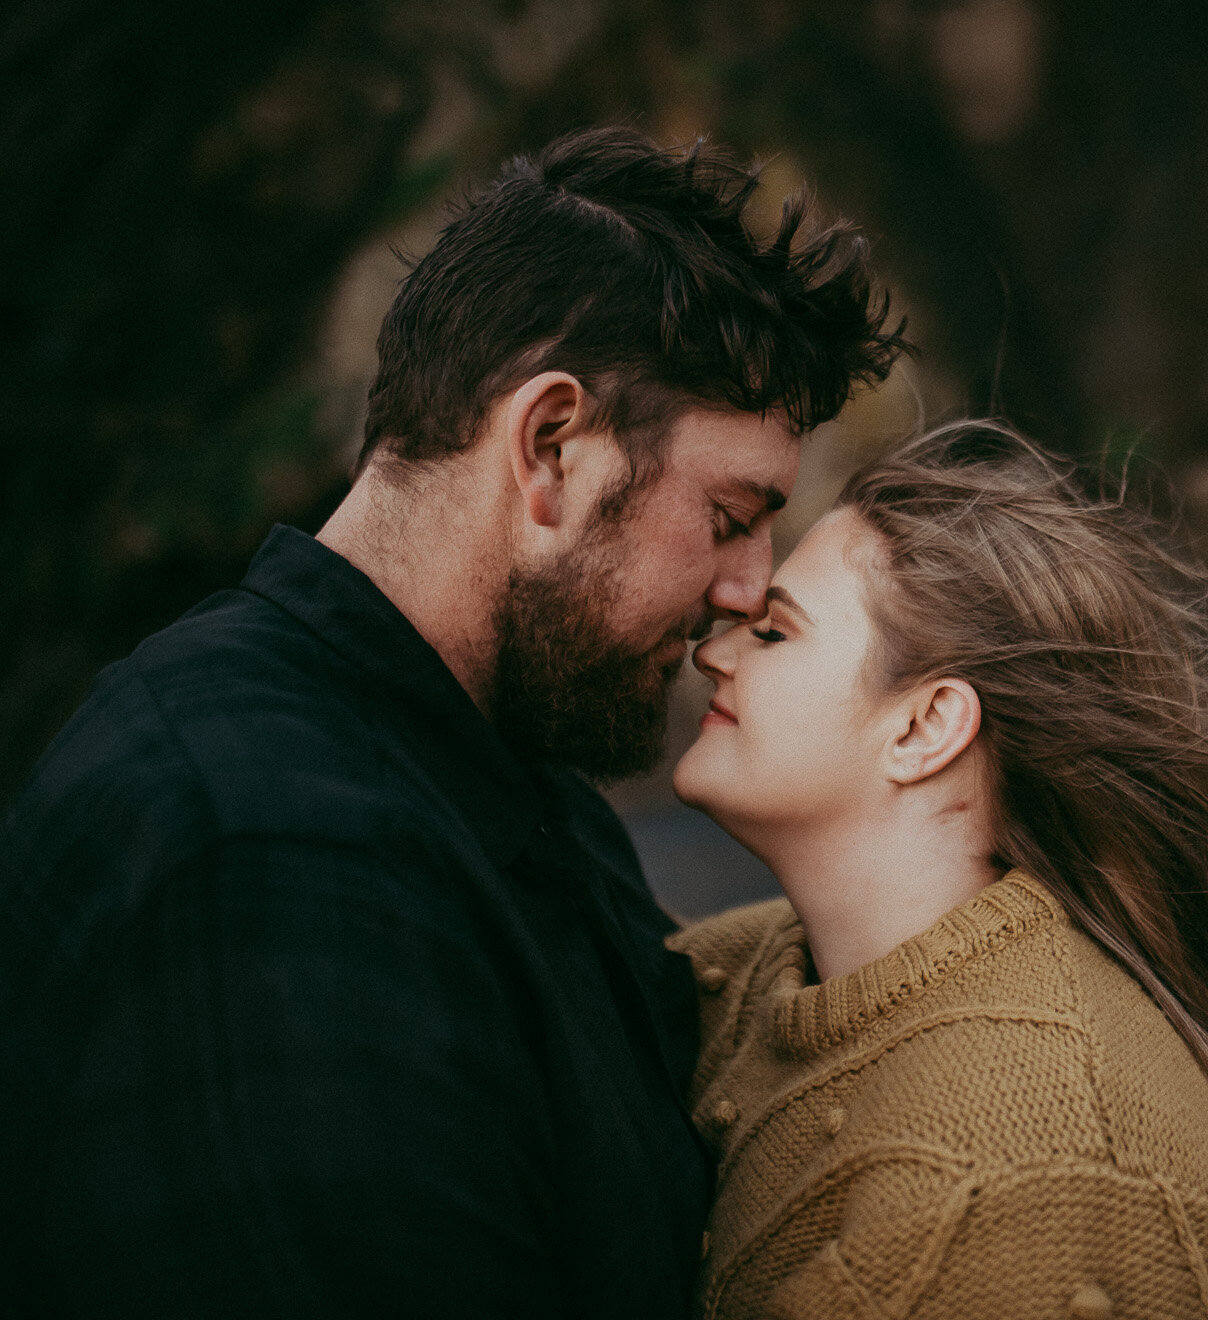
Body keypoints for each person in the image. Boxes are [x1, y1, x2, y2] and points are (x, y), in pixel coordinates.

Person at [0, 127, 903, 1316]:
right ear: (549, 448)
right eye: (730, 514)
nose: (747, 587)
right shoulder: (268, 857)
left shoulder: (503, 783)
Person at [669, 423, 1208, 1320]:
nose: (714, 650)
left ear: (923, 729)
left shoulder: (1042, 1194)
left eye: (774, 632)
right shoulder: (749, 976)